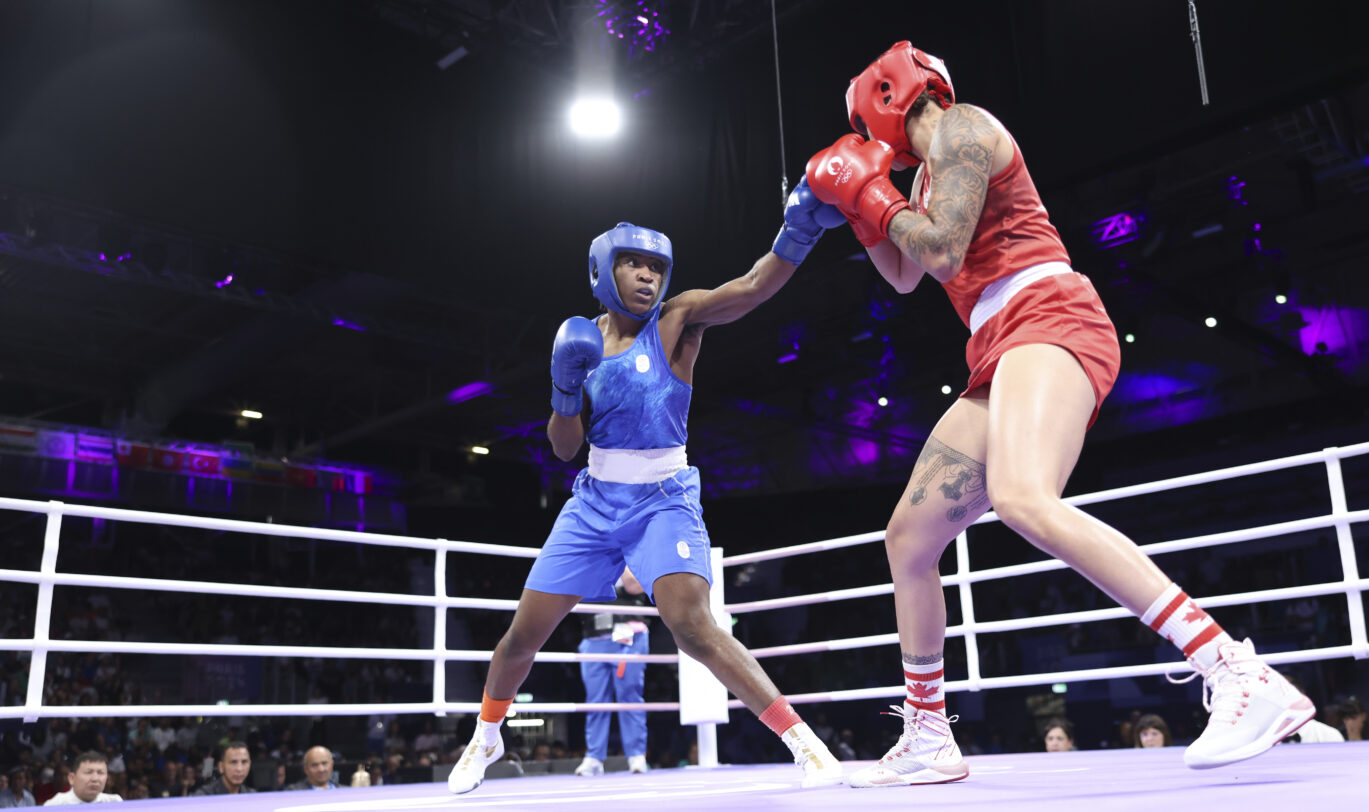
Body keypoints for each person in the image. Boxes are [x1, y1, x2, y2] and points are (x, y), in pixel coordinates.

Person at [804, 40, 1315, 787]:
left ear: (882, 100)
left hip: (1048, 313)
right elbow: (905, 274)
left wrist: (872, 194)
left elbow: (941, 252)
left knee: (1021, 498)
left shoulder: (963, 129)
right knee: (909, 539)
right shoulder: (921, 182)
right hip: (995, 342)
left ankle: (1236, 670)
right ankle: (928, 736)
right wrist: (857, 205)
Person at [449, 193, 847, 794]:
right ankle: (486, 735)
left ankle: (802, 740)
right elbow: (562, 449)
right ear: (603, 270)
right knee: (521, 635)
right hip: (594, 500)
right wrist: (562, 392)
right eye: (635, 264)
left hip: (664, 497)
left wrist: (797, 234)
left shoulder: (678, 319)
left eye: (657, 267)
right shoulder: (580, 342)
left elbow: (753, 287)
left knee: (692, 625)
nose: (648, 276)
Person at [575, 567, 651, 777]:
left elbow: (634, 586)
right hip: (594, 635)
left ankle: (636, 754)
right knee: (595, 700)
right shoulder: (591, 553)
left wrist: (621, 557)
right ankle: (594, 757)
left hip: (629, 634)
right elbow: (579, 587)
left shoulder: (634, 552)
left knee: (629, 694)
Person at [40, 752, 120, 805]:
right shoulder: (56, 804)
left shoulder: (114, 802)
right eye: (88, 772)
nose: (95, 779)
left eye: (100, 773)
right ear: (72, 778)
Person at [189, 743, 254, 796]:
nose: (239, 769)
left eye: (244, 762)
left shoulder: (253, 796)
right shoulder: (203, 796)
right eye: (233, 762)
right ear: (221, 767)